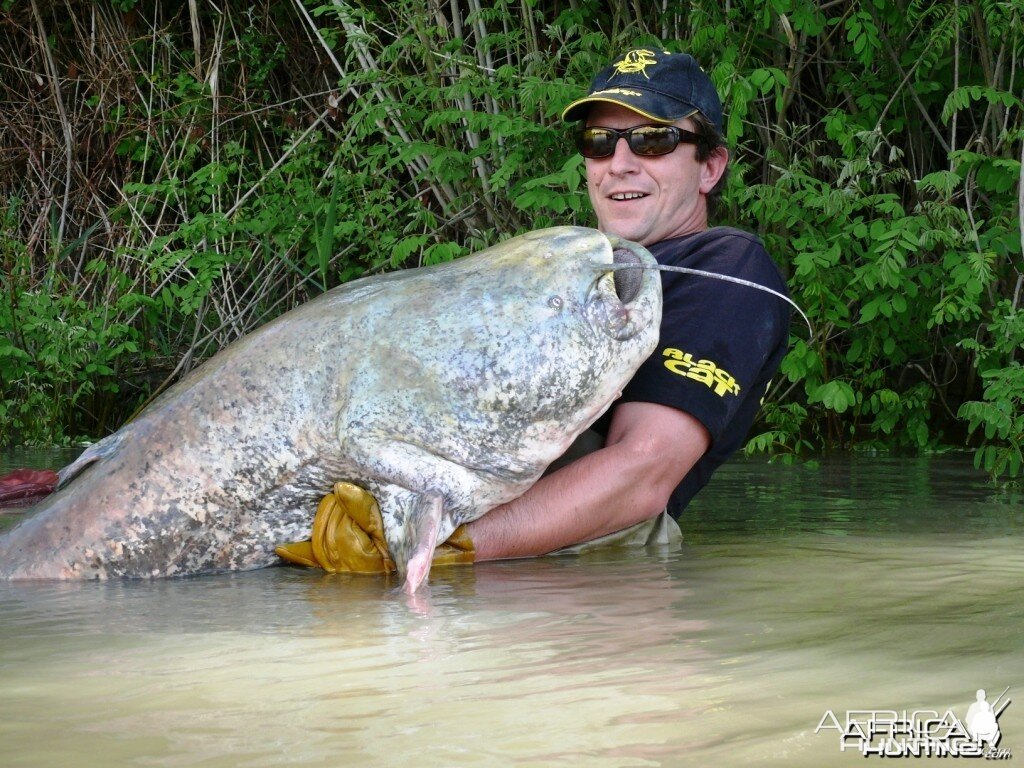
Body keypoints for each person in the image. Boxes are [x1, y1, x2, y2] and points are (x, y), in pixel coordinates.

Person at [277, 48, 791, 573]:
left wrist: (446, 548)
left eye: (653, 139)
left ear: (711, 167)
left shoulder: (729, 268)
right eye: (599, 142)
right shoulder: (566, 271)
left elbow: (642, 476)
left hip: (573, 580)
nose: (619, 163)